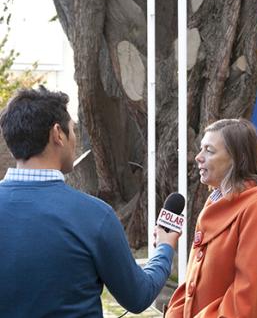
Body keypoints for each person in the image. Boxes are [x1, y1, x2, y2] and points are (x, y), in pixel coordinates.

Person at [0, 87, 179, 317]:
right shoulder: (95, 215)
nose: (76, 139)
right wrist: (164, 247)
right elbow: (138, 296)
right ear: (58, 134)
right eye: (74, 129)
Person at [165, 118, 257, 317]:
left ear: (237, 158)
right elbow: (193, 282)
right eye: (201, 149)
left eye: (209, 150)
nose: (198, 157)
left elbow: (244, 303)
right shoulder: (215, 201)